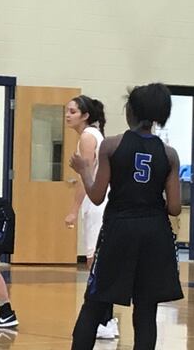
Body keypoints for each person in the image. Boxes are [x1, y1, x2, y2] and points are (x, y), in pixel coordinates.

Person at [70, 83, 183, 349]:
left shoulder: (111, 145)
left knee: (95, 303)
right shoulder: (169, 154)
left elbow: (97, 196)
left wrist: (85, 170)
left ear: (131, 111)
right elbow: (176, 208)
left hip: (119, 229)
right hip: (155, 231)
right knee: (146, 310)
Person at [63, 94, 118, 339]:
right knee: (98, 262)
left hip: (98, 206)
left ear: (85, 115)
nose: (68, 115)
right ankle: (106, 320)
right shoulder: (93, 135)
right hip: (99, 204)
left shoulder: (87, 137)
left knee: (97, 262)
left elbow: (87, 179)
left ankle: (106, 320)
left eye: (73, 111)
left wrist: (73, 210)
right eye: (67, 110)